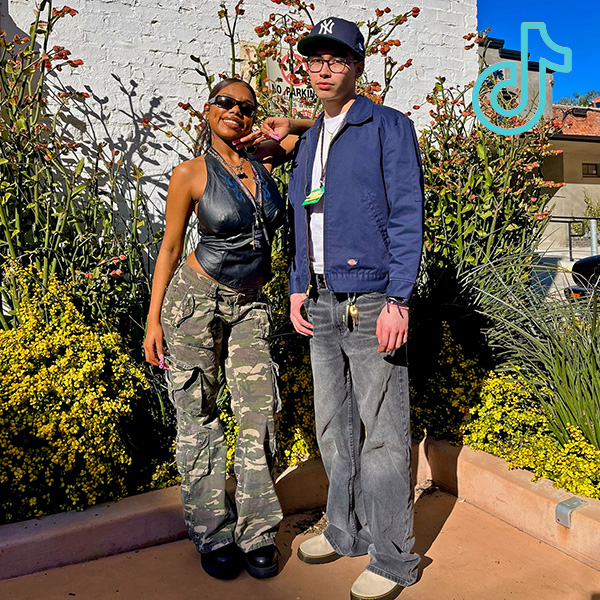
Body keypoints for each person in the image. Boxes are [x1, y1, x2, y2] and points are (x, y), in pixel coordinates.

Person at [264, 17, 425, 600]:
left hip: (374, 298)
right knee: (333, 427)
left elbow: (408, 215)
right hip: (322, 300)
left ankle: (392, 557)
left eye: (337, 57)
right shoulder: (310, 140)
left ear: (357, 65)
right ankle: (344, 529)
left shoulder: (388, 127)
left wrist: (398, 299)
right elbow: (307, 219)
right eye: (314, 58)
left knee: (382, 434)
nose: (324, 66)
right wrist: (297, 284)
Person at [143, 78, 304, 581]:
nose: (236, 111)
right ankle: (213, 534)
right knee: (200, 417)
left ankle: (257, 533)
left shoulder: (265, 163)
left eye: (247, 107)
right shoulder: (190, 174)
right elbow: (169, 248)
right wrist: (153, 320)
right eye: (225, 103)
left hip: (251, 306)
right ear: (207, 110)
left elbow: (324, 127)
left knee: (259, 413)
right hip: (193, 302)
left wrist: (288, 123)